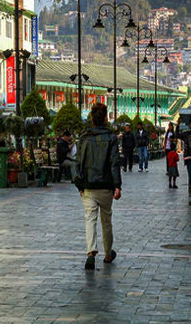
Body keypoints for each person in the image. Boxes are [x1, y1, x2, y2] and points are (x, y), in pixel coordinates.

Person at [74, 103, 121, 270]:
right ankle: (108, 253)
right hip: (106, 186)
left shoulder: (84, 137)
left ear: (92, 118)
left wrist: (79, 184)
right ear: (105, 118)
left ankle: (91, 252)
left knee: (90, 219)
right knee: (106, 220)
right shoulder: (111, 137)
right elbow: (114, 162)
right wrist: (117, 185)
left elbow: (78, 162)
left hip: (88, 185)